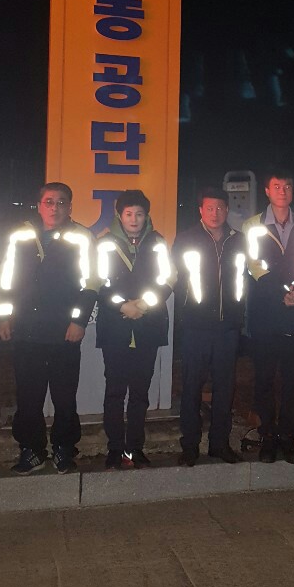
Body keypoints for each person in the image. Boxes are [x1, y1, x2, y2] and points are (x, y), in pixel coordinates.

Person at [0, 182, 97, 475]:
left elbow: (91, 283)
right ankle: (32, 450)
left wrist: (78, 321)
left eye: (61, 202)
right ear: (39, 206)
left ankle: (64, 448)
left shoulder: (82, 237)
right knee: (28, 396)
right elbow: (5, 281)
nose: (55, 208)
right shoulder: (20, 236)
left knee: (64, 397)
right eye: (49, 202)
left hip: (65, 331)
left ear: (70, 206)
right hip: (26, 330)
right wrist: (3, 317)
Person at [242, 169, 294, 464]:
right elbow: (254, 266)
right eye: (277, 186)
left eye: (287, 186)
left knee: (292, 381)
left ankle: (287, 435)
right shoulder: (253, 225)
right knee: (263, 378)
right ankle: (267, 436)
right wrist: (283, 292)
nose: (282, 191)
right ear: (267, 191)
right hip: (266, 314)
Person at [95, 190, 173, 469]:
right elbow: (97, 281)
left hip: (147, 326)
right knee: (114, 391)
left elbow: (168, 278)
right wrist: (122, 306)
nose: (134, 219)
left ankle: (135, 448)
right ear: (119, 215)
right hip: (115, 328)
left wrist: (143, 304)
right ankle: (115, 448)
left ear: (146, 216)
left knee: (140, 392)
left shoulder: (157, 242)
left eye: (139, 214)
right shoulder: (104, 243)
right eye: (128, 213)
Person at [172, 186, 247, 466]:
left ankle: (220, 444)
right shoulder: (186, 239)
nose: (215, 213)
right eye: (209, 208)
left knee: (225, 388)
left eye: (220, 208)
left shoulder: (239, 241)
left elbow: (249, 276)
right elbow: (174, 278)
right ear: (200, 210)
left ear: (227, 210)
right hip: (196, 326)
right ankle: (190, 446)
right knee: (192, 387)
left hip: (228, 327)